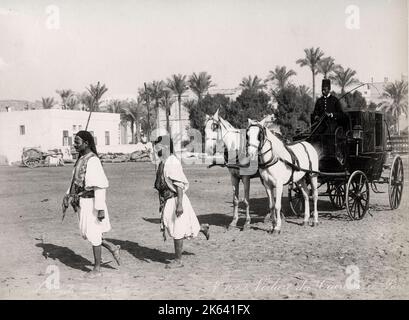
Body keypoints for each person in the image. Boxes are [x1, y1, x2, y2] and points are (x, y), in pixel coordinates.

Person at [62, 130, 120, 278]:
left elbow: (99, 186)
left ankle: (97, 269)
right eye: (74, 142)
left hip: (92, 203)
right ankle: (111, 247)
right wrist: (67, 195)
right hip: (82, 203)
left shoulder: (93, 161)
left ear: (86, 143)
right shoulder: (81, 159)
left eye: (77, 142)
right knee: (87, 233)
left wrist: (100, 209)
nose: (74, 145)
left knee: (94, 234)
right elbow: (75, 180)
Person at [153, 135, 210, 269]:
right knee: (172, 226)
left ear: (166, 147)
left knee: (177, 229)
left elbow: (179, 185)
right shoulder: (163, 162)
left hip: (176, 199)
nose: (156, 149)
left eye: (159, 146)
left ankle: (178, 260)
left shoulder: (172, 162)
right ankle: (202, 228)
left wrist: (179, 205)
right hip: (168, 201)